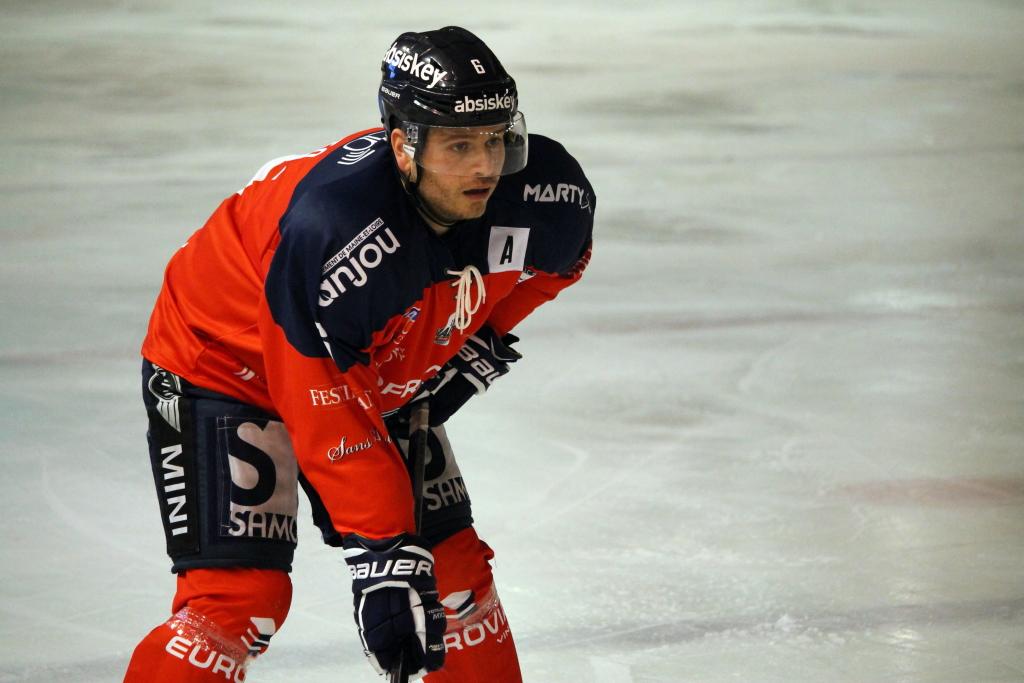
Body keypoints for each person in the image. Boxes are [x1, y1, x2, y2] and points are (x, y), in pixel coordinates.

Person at [124, 25, 595, 682]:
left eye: (494, 139)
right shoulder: (340, 231)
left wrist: (479, 340)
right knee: (240, 602)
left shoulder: (544, 192)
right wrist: (382, 552)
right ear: (404, 147)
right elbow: (319, 399)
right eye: (459, 145)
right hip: (224, 363)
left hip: (359, 359)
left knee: (455, 574)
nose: (485, 167)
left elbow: (560, 263)